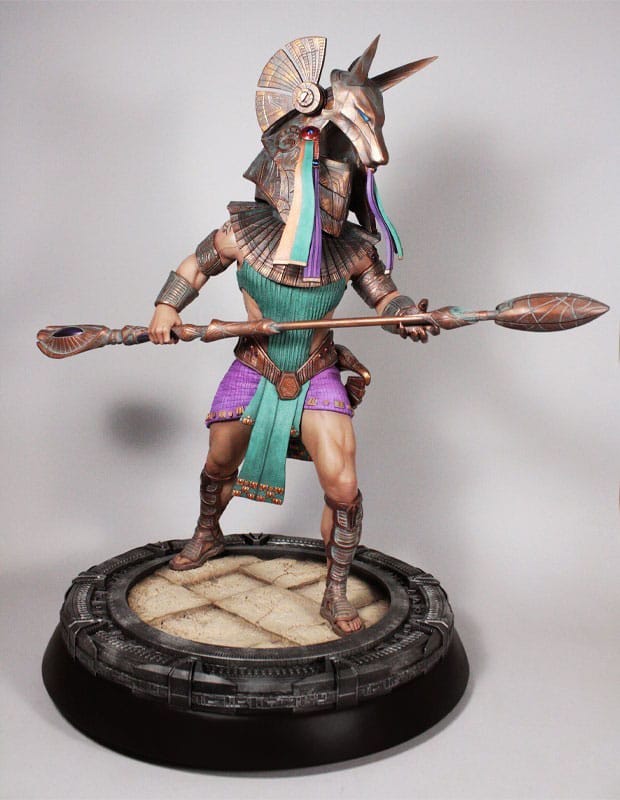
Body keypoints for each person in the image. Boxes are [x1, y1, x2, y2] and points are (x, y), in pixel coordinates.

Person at [148, 36, 439, 636]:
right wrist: (165, 308)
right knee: (219, 461)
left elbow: (385, 297)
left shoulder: (354, 249)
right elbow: (194, 267)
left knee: (344, 486)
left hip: (315, 371)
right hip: (255, 365)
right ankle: (208, 530)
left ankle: (335, 591)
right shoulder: (240, 232)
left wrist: (406, 313)